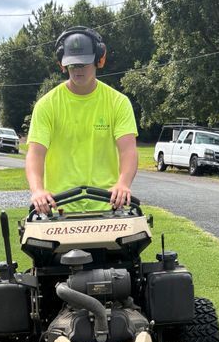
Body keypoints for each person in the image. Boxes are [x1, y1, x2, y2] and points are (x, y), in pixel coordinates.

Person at [25, 26, 138, 214]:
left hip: (106, 204)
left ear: (98, 60)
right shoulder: (47, 105)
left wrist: (123, 183)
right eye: (72, 64)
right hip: (60, 206)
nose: (78, 70)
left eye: (83, 63)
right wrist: (38, 190)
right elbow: (35, 154)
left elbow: (128, 150)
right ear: (62, 63)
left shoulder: (118, 102)